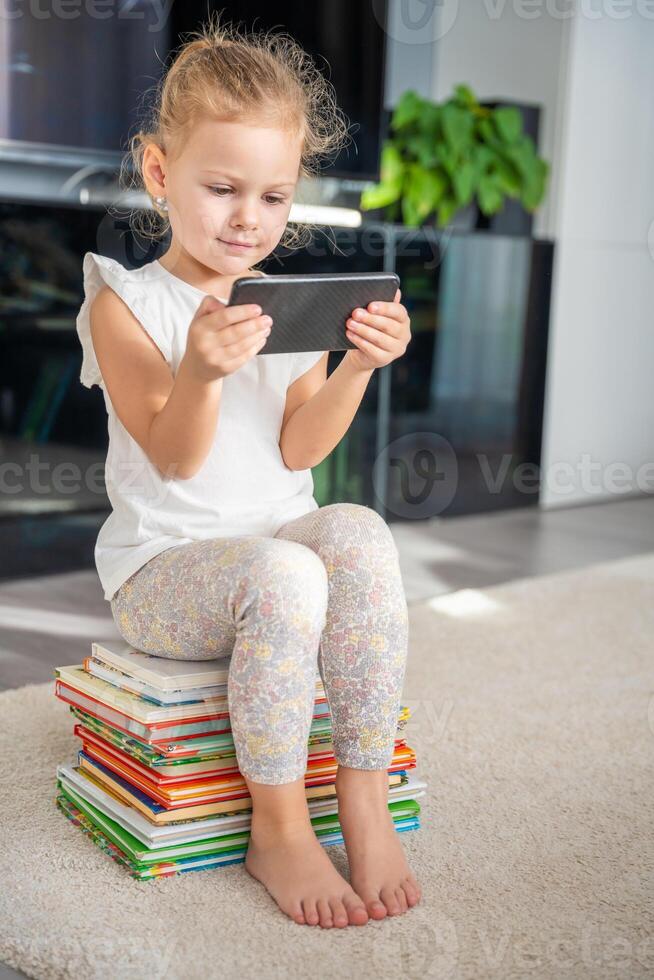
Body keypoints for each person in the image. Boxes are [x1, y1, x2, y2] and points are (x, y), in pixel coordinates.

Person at [75, 14, 420, 929]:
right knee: (286, 568)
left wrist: (355, 365)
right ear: (159, 173)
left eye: (272, 197)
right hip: (165, 574)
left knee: (356, 529)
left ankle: (361, 791)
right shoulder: (125, 300)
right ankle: (276, 826)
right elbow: (178, 457)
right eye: (222, 188)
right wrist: (200, 366)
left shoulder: (283, 300)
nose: (247, 219)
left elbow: (302, 449)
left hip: (277, 552)